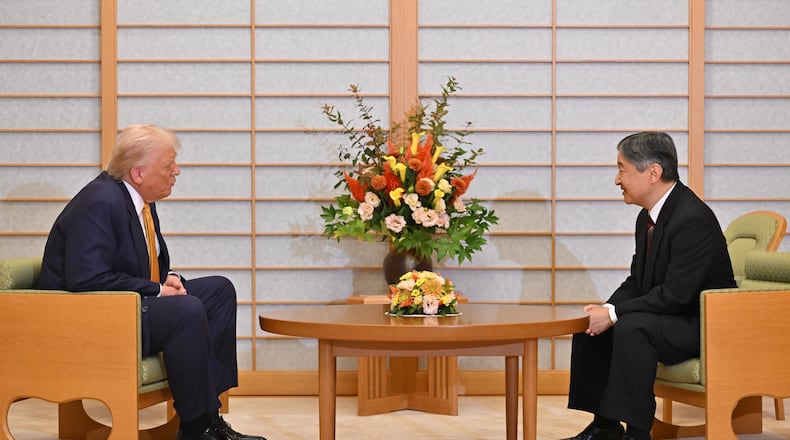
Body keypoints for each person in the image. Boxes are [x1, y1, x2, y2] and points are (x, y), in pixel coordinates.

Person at [37, 124, 267, 440]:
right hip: (88, 321)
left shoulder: (140, 200)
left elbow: (140, 264)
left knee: (218, 291)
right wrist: (158, 290)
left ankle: (207, 418)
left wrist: (168, 279)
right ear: (138, 173)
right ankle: (198, 427)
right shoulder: (100, 202)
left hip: (126, 307)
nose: (177, 171)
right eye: (168, 165)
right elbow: (87, 279)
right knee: (186, 310)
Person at [562, 131, 736, 440]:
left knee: (632, 327)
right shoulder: (647, 217)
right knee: (593, 326)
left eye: (622, 169)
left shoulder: (692, 218)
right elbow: (637, 282)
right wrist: (605, 310)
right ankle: (605, 427)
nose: (617, 179)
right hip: (671, 316)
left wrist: (614, 315)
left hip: (703, 323)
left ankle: (637, 433)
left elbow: (676, 296)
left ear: (653, 172)